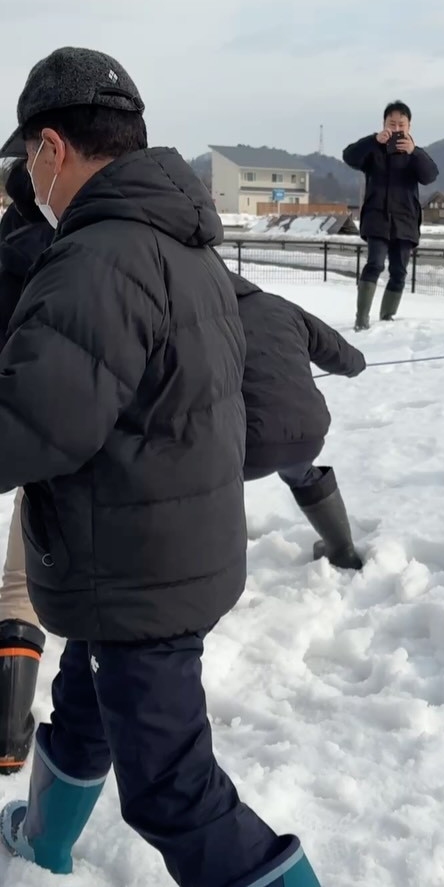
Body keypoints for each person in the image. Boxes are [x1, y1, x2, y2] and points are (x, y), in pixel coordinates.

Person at [0, 47, 321, 886]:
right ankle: (43, 839)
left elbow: (33, 419)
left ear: (53, 148)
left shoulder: (98, 257)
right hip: (163, 551)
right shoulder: (181, 241)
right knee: (82, 712)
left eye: (27, 155)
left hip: (138, 575)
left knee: (173, 789)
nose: (28, 175)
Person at [231, 272, 365, 570]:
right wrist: (357, 364)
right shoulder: (280, 307)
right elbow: (345, 357)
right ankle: (342, 549)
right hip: (306, 434)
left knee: (202, 481)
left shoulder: (203, 312)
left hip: (241, 445)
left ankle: (216, 567)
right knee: (299, 470)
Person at [0, 160, 54, 777]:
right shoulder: (82, 235)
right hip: (66, 410)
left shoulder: (11, 238)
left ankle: (8, 736)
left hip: (16, 399)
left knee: (19, 584)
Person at [343, 101, 438, 330]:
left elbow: (430, 176)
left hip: (405, 220)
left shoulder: (415, 154)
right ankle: (361, 318)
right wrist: (373, 141)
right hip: (377, 218)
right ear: (384, 124)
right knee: (374, 264)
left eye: (401, 124)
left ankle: (387, 317)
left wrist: (413, 152)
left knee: (399, 271)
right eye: (391, 123)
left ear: (409, 126)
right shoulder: (373, 150)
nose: (396, 129)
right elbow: (349, 156)